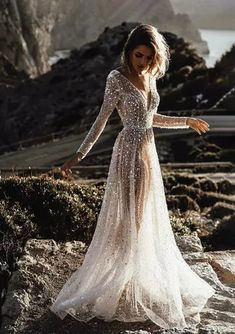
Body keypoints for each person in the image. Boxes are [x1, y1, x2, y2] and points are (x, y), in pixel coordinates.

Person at [50, 24, 215, 329]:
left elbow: (153, 119)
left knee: (140, 217)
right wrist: (80, 155)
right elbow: (101, 120)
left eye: (148, 57)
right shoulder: (116, 79)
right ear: (128, 51)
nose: (142, 62)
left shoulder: (150, 77)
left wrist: (187, 121)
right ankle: (117, 281)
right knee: (129, 217)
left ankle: (133, 276)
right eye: (138, 55)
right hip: (128, 151)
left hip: (148, 151)